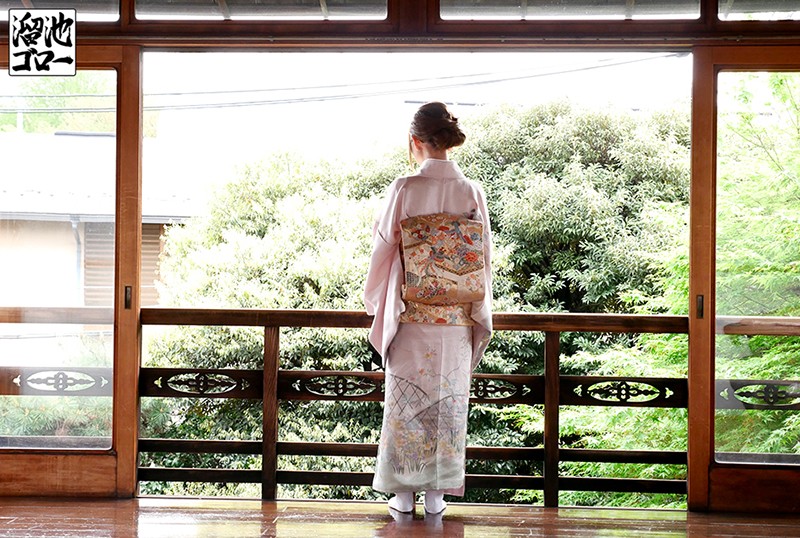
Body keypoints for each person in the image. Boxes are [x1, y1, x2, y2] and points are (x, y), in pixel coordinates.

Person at [364, 101, 493, 515]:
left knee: (407, 402)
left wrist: (375, 299)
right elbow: (482, 259)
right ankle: (437, 496)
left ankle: (402, 495)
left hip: (411, 316)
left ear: (414, 140)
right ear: (447, 140)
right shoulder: (471, 191)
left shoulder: (404, 188)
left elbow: (383, 248)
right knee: (448, 401)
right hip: (455, 321)